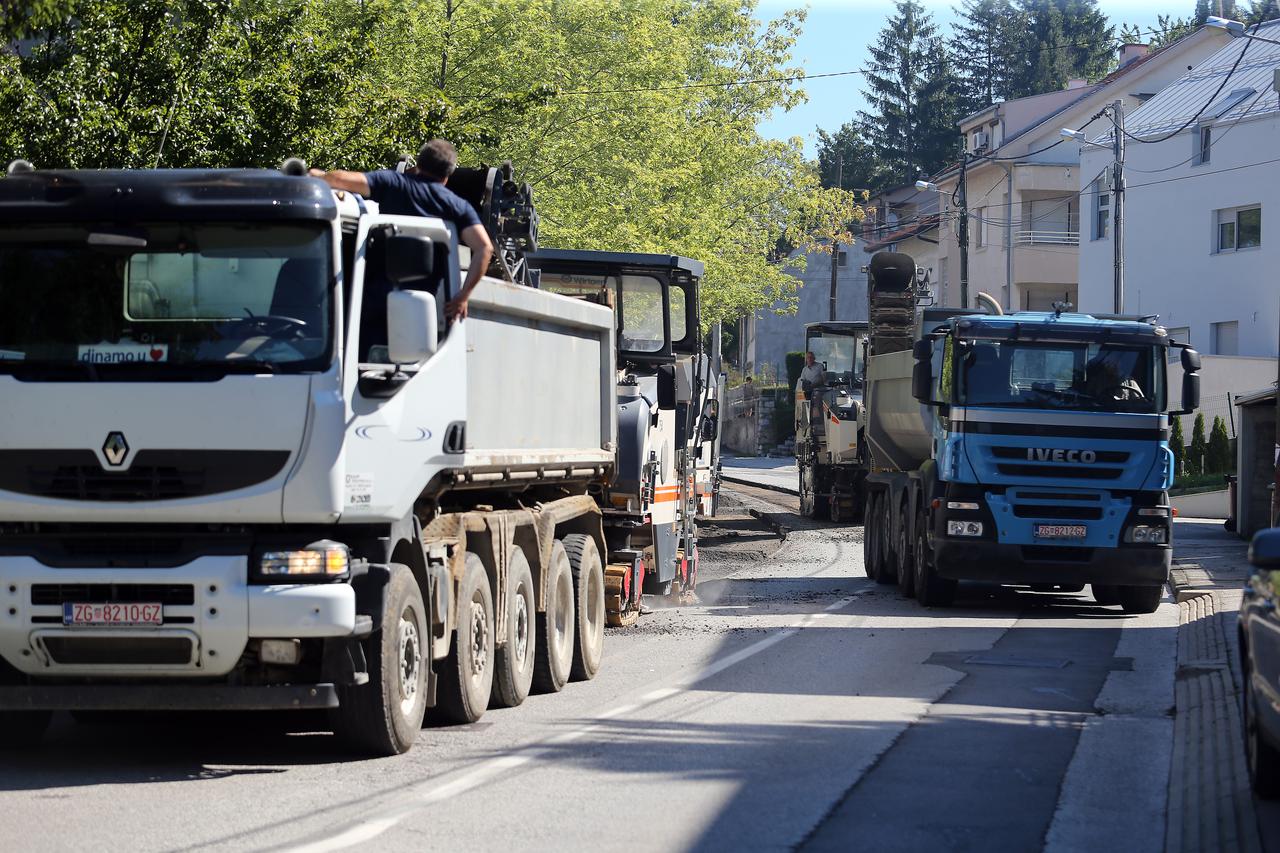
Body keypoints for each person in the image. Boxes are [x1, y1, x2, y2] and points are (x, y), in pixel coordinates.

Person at [310, 140, 494, 320]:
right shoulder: (457, 206)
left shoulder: (392, 182)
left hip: (371, 297)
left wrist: (317, 176)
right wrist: (463, 296)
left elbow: (339, 179)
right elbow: (484, 248)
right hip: (419, 307)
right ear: (448, 175)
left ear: (419, 164)